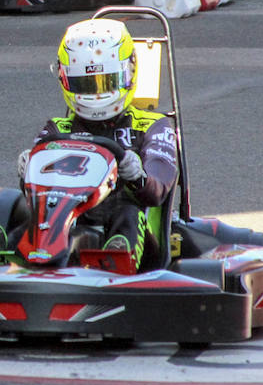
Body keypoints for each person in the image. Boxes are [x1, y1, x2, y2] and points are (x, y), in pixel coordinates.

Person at [19, 18, 178, 266]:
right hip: (67, 222)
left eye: (106, 82)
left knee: (127, 213)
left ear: (129, 73)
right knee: (8, 204)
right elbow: (36, 194)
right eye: (86, 84)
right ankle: (2, 255)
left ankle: (116, 260)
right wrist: (27, 170)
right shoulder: (57, 129)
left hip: (136, 235)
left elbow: (158, 190)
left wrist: (138, 177)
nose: (96, 94)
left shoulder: (153, 126)